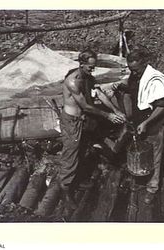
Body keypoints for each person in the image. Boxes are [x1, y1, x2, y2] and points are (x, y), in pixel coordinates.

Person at [59, 49, 126, 209]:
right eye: (90, 67)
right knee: (71, 154)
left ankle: (78, 180)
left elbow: (100, 94)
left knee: (82, 150)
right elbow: (85, 106)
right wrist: (107, 115)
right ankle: (65, 189)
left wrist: (115, 110)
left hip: (82, 120)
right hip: (72, 121)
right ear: (81, 64)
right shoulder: (73, 81)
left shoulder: (88, 77)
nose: (92, 70)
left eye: (94, 67)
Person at [107, 47, 164, 204]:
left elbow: (162, 106)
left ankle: (152, 188)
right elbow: (135, 89)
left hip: (153, 125)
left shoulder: (156, 80)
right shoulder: (136, 76)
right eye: (131, 70)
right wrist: (119, 86)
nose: (133, 73)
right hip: (138, 122)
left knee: (154, 155)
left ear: (144, 64)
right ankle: (143, 180)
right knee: (141, 152)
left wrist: (146, 122)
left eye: (135, 70)